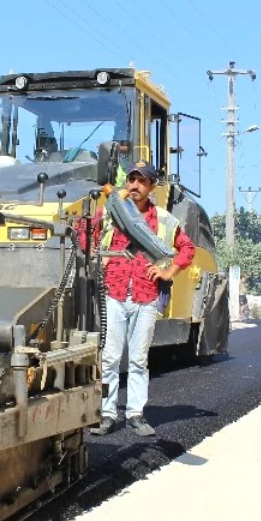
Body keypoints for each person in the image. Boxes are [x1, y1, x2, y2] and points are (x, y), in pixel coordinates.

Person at [78, 162, 195, 436]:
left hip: (146, 295)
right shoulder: (110, 214)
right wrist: (98, 254)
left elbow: (186, 249)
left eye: (141, 181)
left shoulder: (165, 221)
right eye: (131, 179)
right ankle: (106, 414)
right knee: (109, 358)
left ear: (152, 186)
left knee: (138, 360)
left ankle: (135, 414)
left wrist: (168, 272)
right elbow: (83, 235)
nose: (134, 185)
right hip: (115, 292)